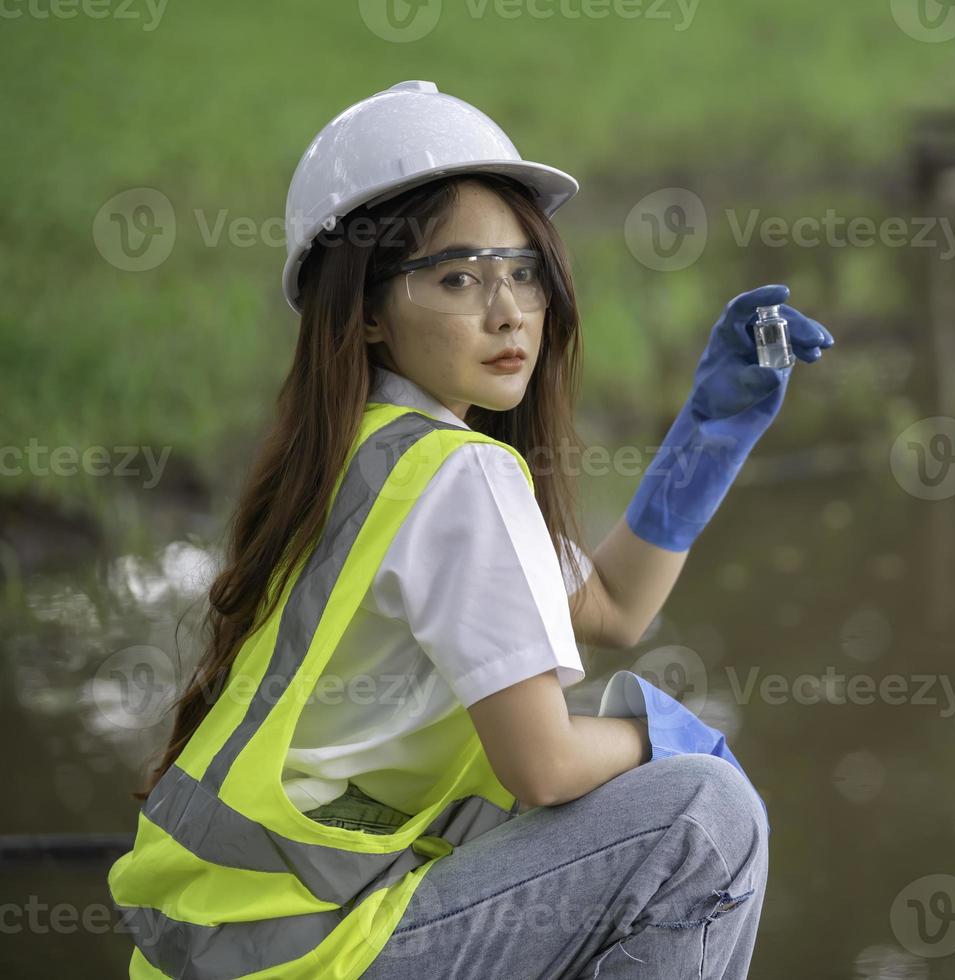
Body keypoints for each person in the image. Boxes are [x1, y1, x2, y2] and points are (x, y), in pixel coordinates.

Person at [106, 79, 834, 979]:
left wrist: (709, 436)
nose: (509, 311)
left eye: (523, 270)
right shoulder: (459, 474)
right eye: (457, 277)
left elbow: (609, 607)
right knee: (701, 816)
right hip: (312, 954)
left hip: (231, 944)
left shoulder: (361, 453)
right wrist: (663, 735)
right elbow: (546, 767)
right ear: (365, 311)